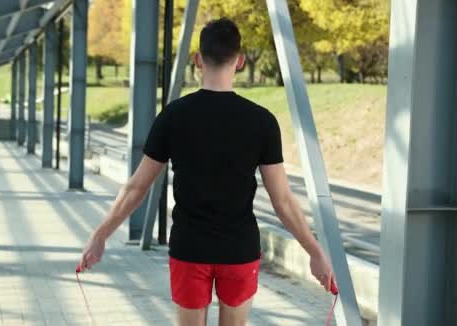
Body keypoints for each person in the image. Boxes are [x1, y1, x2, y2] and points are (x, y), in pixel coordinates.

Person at [78, 18, 335, 326]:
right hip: (239, 249)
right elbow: (282, 199)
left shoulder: (173, 117)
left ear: (198, 60)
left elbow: (137, 188)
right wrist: (315, 251)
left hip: (189, 247)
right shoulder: (262, 122)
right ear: (240, 61)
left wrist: (100, 234)